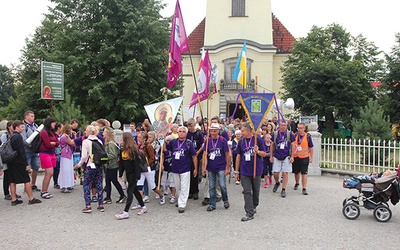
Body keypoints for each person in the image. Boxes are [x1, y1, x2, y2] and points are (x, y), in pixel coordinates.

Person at [234, 123, 267, 222]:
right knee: (247, 191)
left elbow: (264, 153)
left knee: (255, 191)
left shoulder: (258, 140)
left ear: (249, 131)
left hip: (256, 170)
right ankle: (249, 212)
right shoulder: (241, 142)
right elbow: (238, 156)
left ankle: (254, 205)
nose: (241, 133)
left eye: (243, 131)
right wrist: (236, 171)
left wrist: (258, 152)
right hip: (244, 170)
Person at [164, 126, 198, 213]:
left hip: (185, 168)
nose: (181, 133)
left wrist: (195, 168)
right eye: (180, 131)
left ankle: (182, 205)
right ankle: (180, 200)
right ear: (177, 132)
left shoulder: (188, 143)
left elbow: (194, 156)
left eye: (183, 131)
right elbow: (165, 149)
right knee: (178, 186)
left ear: (186, 133)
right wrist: (162, 141)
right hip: (175, 168)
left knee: (184, 187)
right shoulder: (173, 142)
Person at [7, 120, 42, 206]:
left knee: (12, 180)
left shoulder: (11, 136)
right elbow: (21, 151)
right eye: (22, 127)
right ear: (17, 127)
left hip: (11, 161)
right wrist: (26, 164)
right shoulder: (18, 137)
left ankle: (14, 199)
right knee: (26, 179)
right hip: (19, 161)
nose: (23, 129)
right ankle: (31, 198)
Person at [115, 132, 146, 219]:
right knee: (135, 190)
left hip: (133, 173)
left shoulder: (133, 149)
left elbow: (136, 164)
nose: (121, 138)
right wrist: (120, 174)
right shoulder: (122, 150)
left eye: (122, 137)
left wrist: (138, 175)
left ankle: (126, 211)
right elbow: (121, 163)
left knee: (130, 191)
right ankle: (143, 206)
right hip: (128, 173)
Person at [75, 125, 104, 213]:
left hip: (90, 165)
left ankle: (88, 205)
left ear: (90, 132)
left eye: (87, 131)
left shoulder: (86, 142)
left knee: (87, 184)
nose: (85, 132)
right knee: (99, 183)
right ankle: (101, 204)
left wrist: (79, 165)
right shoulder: (99, 141)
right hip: (98, 165)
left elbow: (84, 156)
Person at [202, 123, 230, 211]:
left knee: (222, 185)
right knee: (211, 186)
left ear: (218, 131)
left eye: (215, 131)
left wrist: (227, 167)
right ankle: (212, 204)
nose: (213, 133)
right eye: (211, 131)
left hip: (221, 166)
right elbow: (204, 155)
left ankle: (225, 200)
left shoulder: (222, 140)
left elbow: (227, 154)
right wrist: (203, 167)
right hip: (211, 167)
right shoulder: (207, 141)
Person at [133, 131, 165, 206]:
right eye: (138, 137)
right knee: (139, 185)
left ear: (144, 139)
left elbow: (152, 157)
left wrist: (147, 164)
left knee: (152, 186)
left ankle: (161, 195)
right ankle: (139, 202)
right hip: (141, 169)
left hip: (149, 168)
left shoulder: (149, 146)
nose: (138, 139)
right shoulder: (138, 146)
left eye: (140, 137)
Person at [270, 121, 295, 198]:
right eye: (282, 125)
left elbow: (293, 145)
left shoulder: (290, 134)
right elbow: (272, 145)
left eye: (285, 125)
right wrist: (271, 156)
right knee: (276, 173)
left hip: (286, 155)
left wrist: (292, 156)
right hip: (277, 155)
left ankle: (283, 189)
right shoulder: (275, 134)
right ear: (279, 126)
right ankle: (277, 182)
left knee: (285, 173)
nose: (283, 127)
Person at [103, 126, 126, 204]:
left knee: (114, 181)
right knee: (107, 181)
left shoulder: (111, 144)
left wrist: (103, 158)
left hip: (112, 165)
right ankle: (108, 197)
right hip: (108, 165)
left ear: (108, 134)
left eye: (104, 132)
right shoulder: (107, 143)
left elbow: (113, 155)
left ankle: (122, 195)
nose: (103, 134)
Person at [39, 117, 60, 199]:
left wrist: (53, 143)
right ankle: (43, 191)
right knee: (49, 172)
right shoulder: (44, 132)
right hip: (45, 153)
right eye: (53, 123)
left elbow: (57, 143)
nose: (54, 124)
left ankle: (45, 190)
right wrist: (53, 143)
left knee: (50, 173)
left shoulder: (52, 132)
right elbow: (47, 144)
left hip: (52, 153)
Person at [1, 120, 21, 200]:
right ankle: (6, 193)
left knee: (12, 176)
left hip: (13, 157)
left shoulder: (15, 135)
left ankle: (13, 192)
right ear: (9, 126)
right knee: (7, 175)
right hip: (7, 156)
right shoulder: (5, 135)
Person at [21, 111, 41, 192]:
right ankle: (27, 186)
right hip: (27, 150)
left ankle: (33, 184)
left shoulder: (35, 126)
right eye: (32, 116)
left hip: (35, 151)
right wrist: (31, 145)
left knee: (36, 166)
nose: (33, 117)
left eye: (34, 116)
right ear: (26, 117)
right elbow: (23, 140)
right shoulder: (23, 126)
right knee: (27, 168)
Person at [292, 123, 314, 195]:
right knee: (296, 172)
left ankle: (304, 188)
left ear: (304, 128)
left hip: (304, 157)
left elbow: (311, 147)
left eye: (301, 128)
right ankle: (297, 183)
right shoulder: (295, 135)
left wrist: (311, 157)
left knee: (304, 173)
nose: (299, 130)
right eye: (298, 128)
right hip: (296, 156)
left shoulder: (307, 136)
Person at [186, 118, 204, 200]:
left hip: (196, 155)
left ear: (194, 125)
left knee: (195, 173)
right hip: (189, 156)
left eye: (191, 126)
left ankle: (196, 191)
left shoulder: (198, 134)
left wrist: (198, 152)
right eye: (188, 126)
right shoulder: (187, 133)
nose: (190, 128)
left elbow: (202, 144)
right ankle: (190, 191)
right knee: (189, 173)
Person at [58, 124, 76, 193]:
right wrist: (75, 137)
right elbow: (73, 143)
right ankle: (65, 185)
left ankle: (68, 184)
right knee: (66, 169)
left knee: (68, 169)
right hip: (66, 154)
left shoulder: (64, 136)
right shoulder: (65, 137)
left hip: (67, 153)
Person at [160, 135, 176, 203]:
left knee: (173, 182)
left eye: (170, 140)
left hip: (173, 167)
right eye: (167, 141)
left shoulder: (174, 148)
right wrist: (161, 165)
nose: (168, 142)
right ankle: (171, 193)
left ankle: (173, 195)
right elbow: (162, 155)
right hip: (166, 167)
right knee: (168, 183)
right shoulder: (165, 149)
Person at [52, 122, 63, 189]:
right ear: (58, 128)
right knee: (56, 168)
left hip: (61, 153)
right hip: (55, 153)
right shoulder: (54, 135)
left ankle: (60, 181)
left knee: (59, 168)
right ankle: (55, 182)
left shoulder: (61, 135)